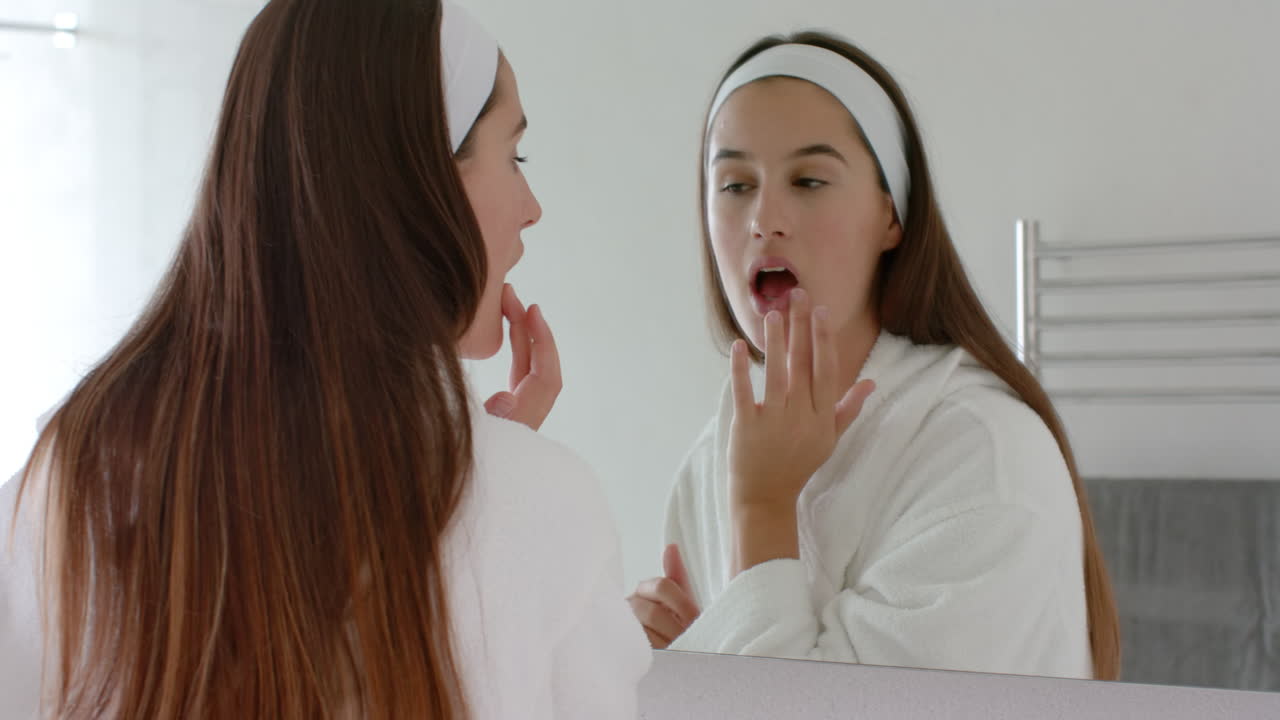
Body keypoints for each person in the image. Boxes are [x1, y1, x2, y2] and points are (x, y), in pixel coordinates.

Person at [0, 1, 650, 717]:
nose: (532, 207)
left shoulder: (68, 476)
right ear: (419, 177)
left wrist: (482, 464)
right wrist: (493, 475)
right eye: (513, 155)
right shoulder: (543, 511)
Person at [629, 31, 1120, 681]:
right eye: (734, 184)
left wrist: (762, 511)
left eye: (808, 180)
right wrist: (654, 664)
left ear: (893, 216)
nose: (764, 218)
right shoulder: (712, 459)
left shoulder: (984, 454)